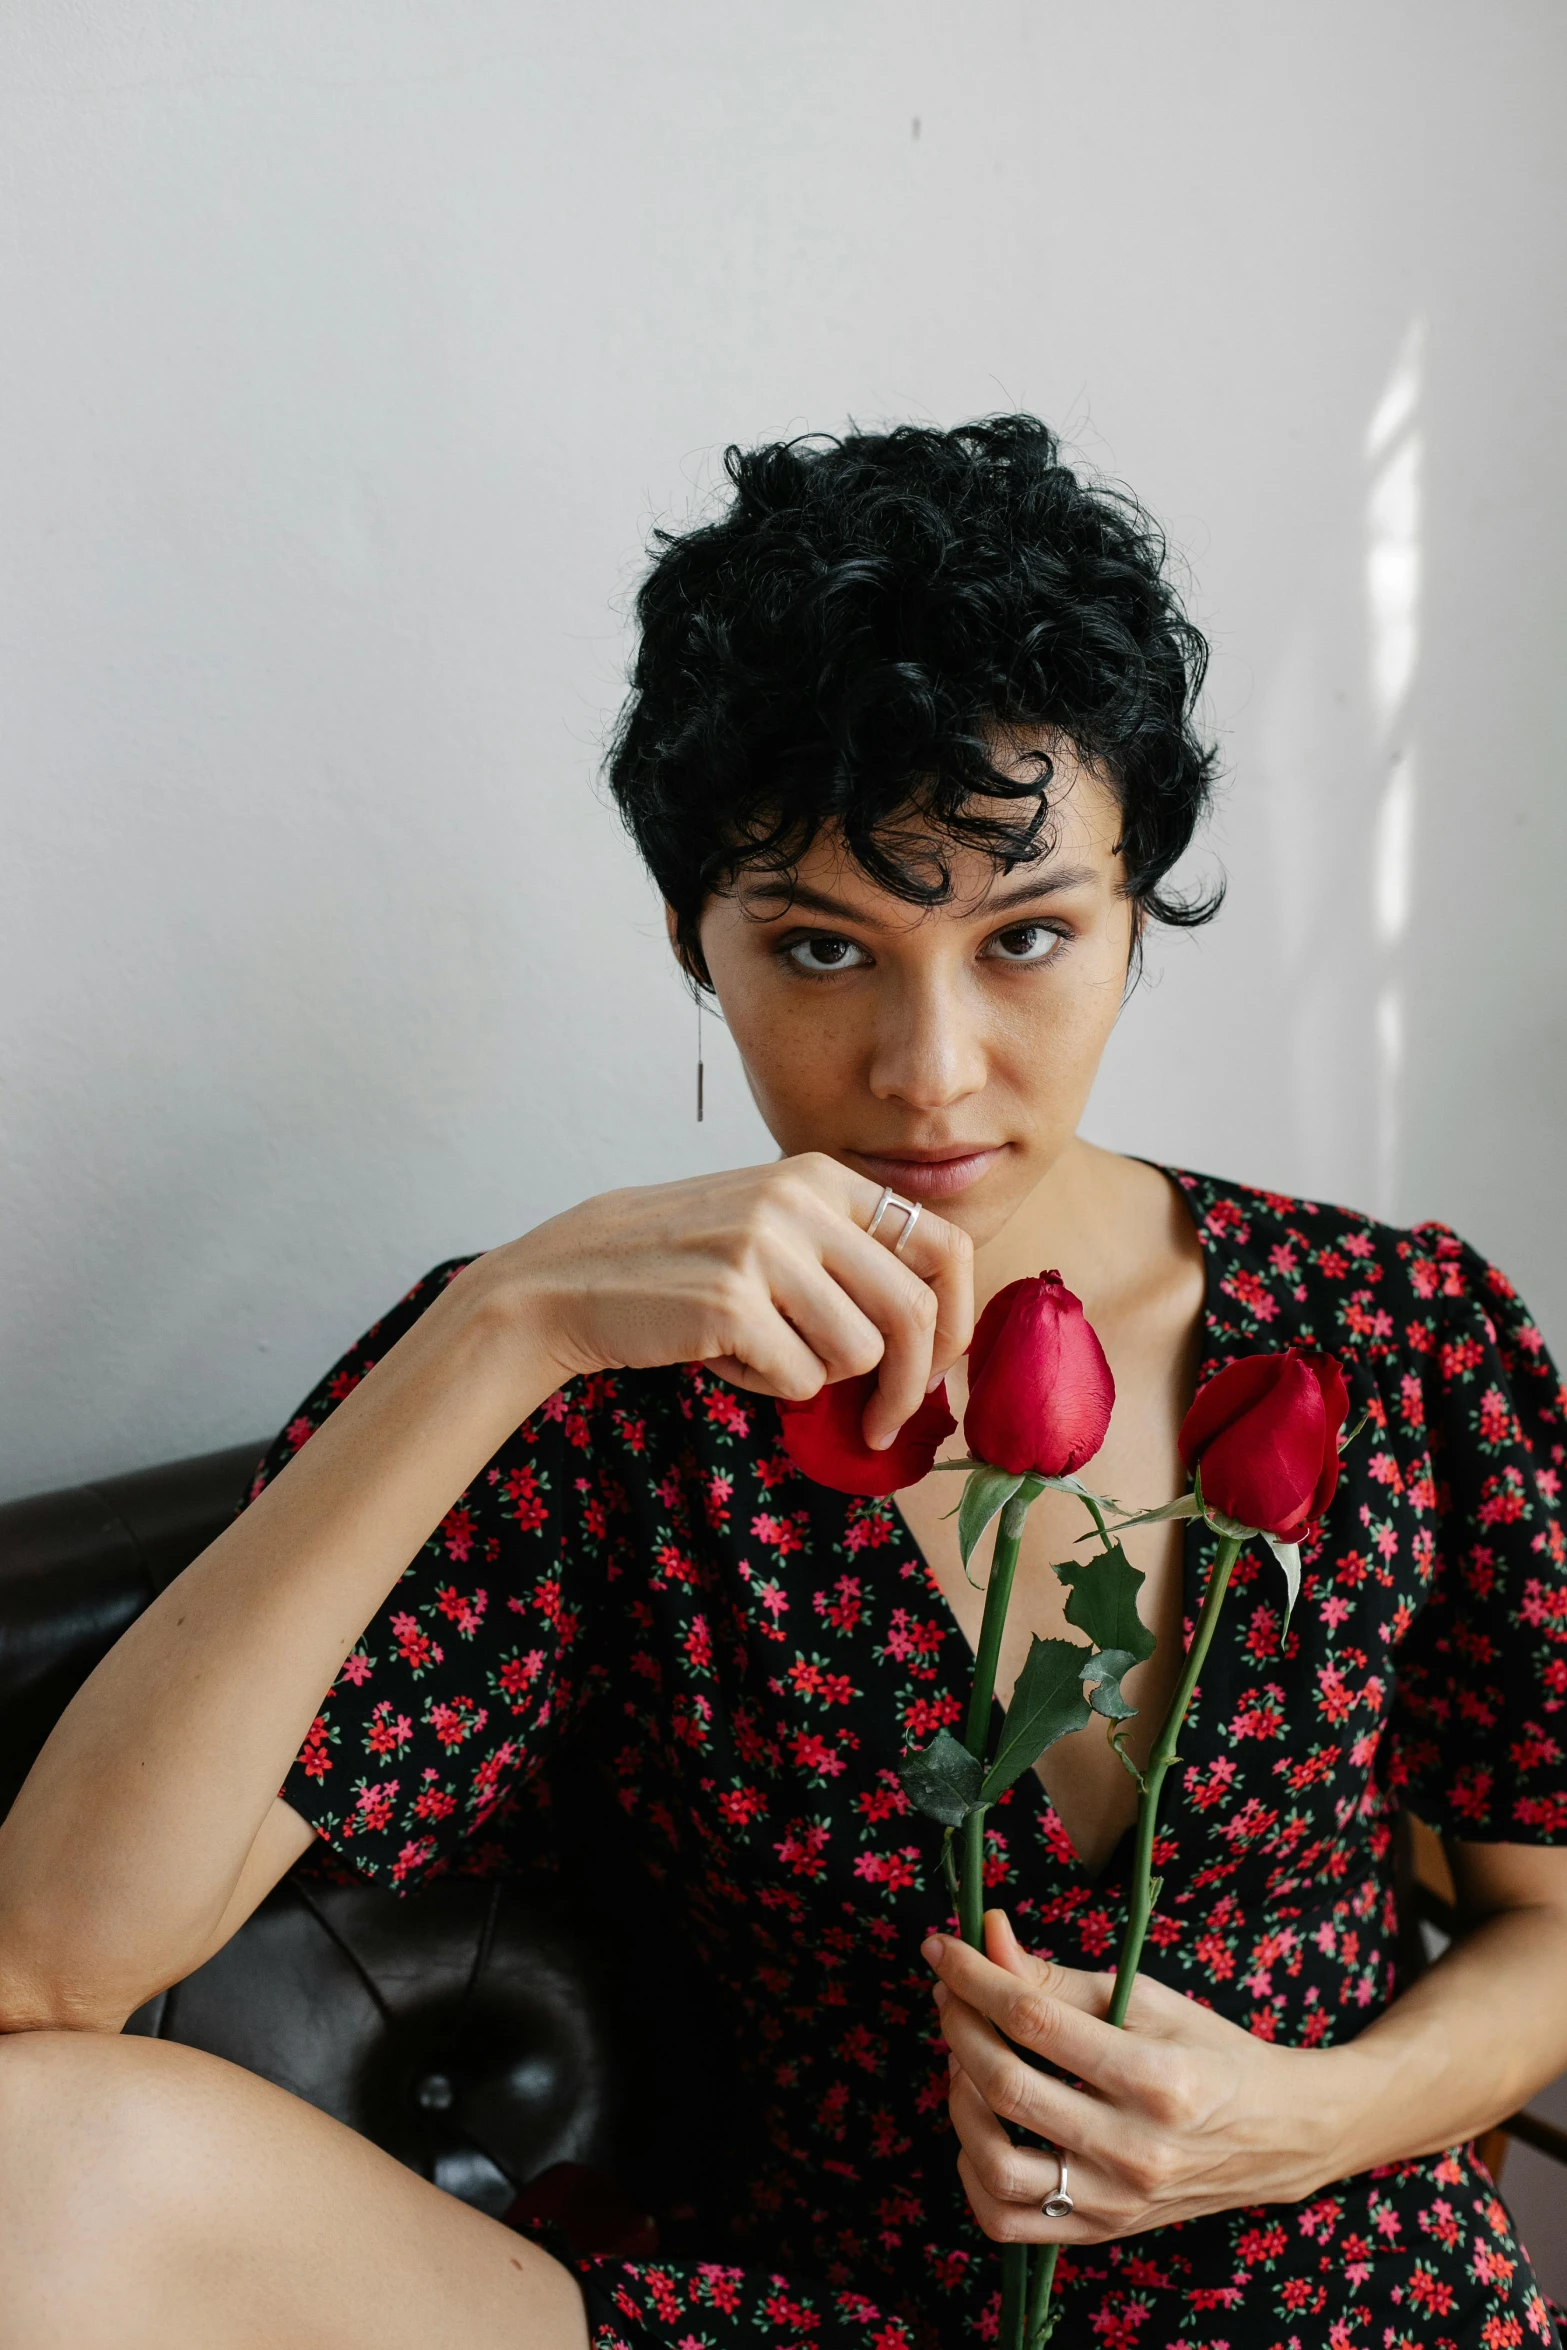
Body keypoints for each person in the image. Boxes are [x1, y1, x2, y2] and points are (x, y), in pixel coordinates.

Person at [0, 416, 1563, 2350]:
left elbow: (1548, 1922)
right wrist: (501, 1322)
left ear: (1136, 908)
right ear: (694, 943)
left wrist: (1291, 2118)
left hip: (1347, 2294)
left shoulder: (1396, 1333)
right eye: (822, 946)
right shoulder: (598, 1398)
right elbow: (45, 1967)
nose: (927, 1067)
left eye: (1027, 940)